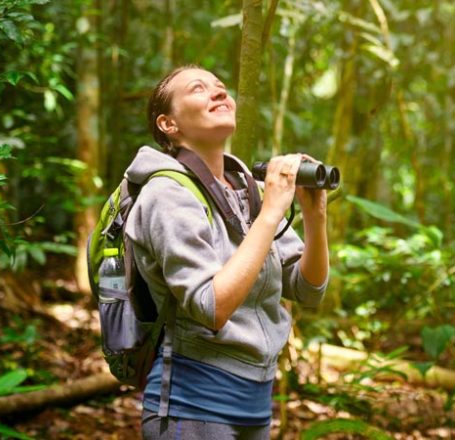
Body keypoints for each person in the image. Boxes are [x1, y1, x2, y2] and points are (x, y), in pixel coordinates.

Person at [124, 65, 329, 439]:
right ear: (168, 124)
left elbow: (306, 288)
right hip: (193, 406)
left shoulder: (243, 188)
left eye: (220, 86)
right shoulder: (166, 193)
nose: (218, 92)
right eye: (199, 89)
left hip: (254, 406)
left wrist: (315, 216)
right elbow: (210, 307)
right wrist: (271, 213)